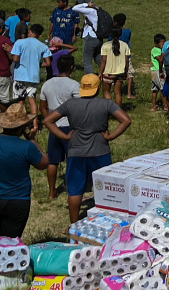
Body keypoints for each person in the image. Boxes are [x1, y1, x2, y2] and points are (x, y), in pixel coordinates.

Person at [43, 74, 131, 223]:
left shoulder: (70, 104)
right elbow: (126, 120)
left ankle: (74, 222)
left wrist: (64, 137)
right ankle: (107, 220)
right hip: (100, 150)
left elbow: (47, 120)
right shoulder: (106, 104)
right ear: (97, 89)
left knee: (75, 189)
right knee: (104, 187)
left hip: (76, 150)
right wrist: (111, 136)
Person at [0, 103, 47, 238]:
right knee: (11, 243)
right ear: (23, 127)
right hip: (18, 201)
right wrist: (32, 140)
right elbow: (44, 163)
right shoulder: (26, 147)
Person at [40, 55, 78, 199]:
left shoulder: (47, 84)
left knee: (53, 161)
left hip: (54, 128)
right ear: (72, 68)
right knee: (72, 160)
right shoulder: (74, 85)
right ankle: (72, 189)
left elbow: (43, 107)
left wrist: (49, 120)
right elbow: (79, 106)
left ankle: (52, 192)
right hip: (69, 127)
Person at [11, 24, 52, 116]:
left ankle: (21, 122)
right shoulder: (43, 46)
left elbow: (16, 59)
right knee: (32, 100)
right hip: (34, 76)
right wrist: (38, 64)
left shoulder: (19, 42)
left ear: (30, 31)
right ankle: (35, 124)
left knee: (20, 100)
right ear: (40, 35)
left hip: (20, 76)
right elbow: (48, 63)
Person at [99, 27, 131, 106]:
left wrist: (100, 72)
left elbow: (104, 60)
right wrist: (126, 71)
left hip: (108, 72)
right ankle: (118, 111)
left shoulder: (106, 45)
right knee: (118, 92)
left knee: (106, 92)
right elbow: (127, 60)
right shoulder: (125, 45)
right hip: (120, 72)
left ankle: (109, 109)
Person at [72, 0, 101, 74]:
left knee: (87, 61)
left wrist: (85, 4)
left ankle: (90, 80)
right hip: (98, 38)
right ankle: (107, 76)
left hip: (91, 38)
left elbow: (75, 8)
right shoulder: (97, 10)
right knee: (98, 58)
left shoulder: (90, 11)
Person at [150, 34, 165, 112]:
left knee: (155, 89)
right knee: (162, 88)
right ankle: (166, 105)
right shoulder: (155, 50)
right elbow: (160, 59)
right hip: (157, 71)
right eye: (161, 43)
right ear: (156, 43)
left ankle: (154, 106)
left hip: (157, 71)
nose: (163, 44)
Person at [0, 21, 12, 111]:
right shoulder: (5, 41)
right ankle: (4, 118)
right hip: (3, 74)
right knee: (4, 99)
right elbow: (12, 57)